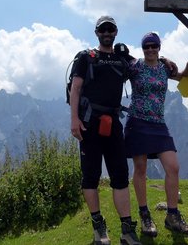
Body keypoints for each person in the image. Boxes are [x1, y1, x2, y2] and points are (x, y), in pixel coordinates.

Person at [69, 16, 142, 245]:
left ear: (116, 32)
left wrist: (166, 62)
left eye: (110, 29)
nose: (107, 32)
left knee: (120, 176)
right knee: (90, 177)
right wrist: (74, 120)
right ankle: (99, 229)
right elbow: (76, 89)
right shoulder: (86, 57)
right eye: (103, 29)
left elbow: (144, 65)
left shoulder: (122, 58)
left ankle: (127, 231)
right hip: (89, 124)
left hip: (113, 123)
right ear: (97, 32)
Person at [124, 32, 188, 238]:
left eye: (153, 46)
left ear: (159, 47)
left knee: (173, 167)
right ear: (142, 48)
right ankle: (145, 216)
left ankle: (172, 216)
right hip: (137, 122)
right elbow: (117, 72)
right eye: (146, 46)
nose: (150, 49)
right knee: (140, 169)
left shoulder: (164, 68)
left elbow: (182, 75)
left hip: (158, 124)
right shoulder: (135, 66)